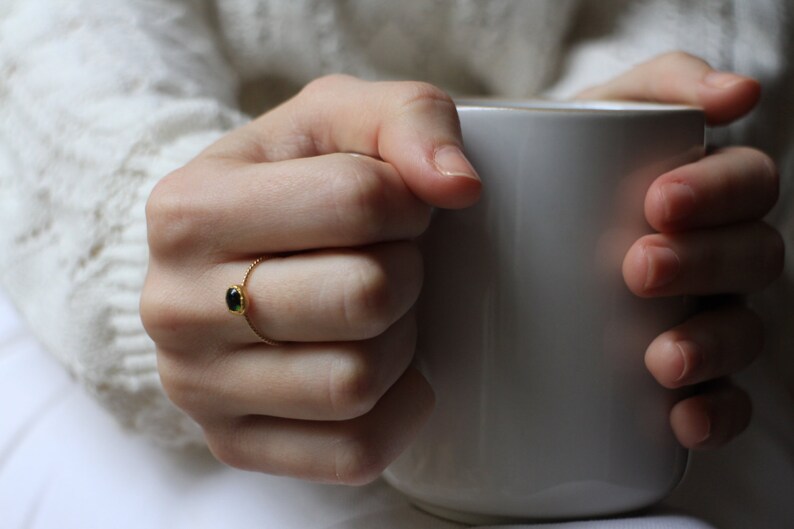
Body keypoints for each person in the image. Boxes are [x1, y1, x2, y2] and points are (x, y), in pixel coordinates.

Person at [0, 1, 791, 528]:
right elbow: (63, 57)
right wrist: (179, 240)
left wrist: (596, 155)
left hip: (648, 373)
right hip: (118, 326)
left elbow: (709, 25)